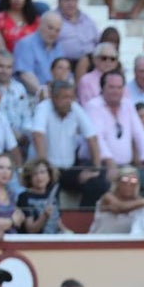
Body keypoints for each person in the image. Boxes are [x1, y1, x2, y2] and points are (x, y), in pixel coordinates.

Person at [32, 78, 108, 207]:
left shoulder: (75, 108)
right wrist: (45, 168)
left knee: (98, 184)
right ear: (54, 98)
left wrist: (96, 169)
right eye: (64, 97)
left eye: (71, 97)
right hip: (49, 168)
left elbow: (92, 138)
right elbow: (38, 136)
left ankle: (85, 222)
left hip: (69, 168)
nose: (69, 101)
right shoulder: (43, 108)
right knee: (50, 194)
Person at [84, 69, 144, 192]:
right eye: (111, 87)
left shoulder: (128, 105)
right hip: (100, 166)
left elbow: (139, 134)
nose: (116, 91)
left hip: (126, 167)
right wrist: (110, 163)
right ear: (102, 88)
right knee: (106, 186)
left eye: (119, 88)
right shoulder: (93, 106)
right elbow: (97, 138)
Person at [89, 165, 144, 235]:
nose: (129, 183)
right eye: (125, 180)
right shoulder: (108, 197)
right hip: (99, 242)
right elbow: (120, 207)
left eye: (133, 180)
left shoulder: (139, 201)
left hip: (126, 244)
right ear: (117, 182)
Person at [0, 49, 32, 148]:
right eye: (0, 66)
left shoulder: (19, 88)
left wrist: (24, 134)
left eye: (8, 67)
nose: (4, 71)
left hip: (20, 140)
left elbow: (26, 115)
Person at [12, 11, 62, 97]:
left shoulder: (58, 47)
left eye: (57, 30)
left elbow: (64, 73)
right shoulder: (26, 44)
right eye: (50, 28)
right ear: (40, 25)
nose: (53, 33)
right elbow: (25, 76)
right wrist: (45, 94)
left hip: (55, 97)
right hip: (31, 97)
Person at [53, 0, 99, 79]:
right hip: (67, 63)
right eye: (68, 0)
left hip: (91, 61)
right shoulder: (53, 19)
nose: (72, 4)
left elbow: (97, 41)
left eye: (75, 0)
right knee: (83, 61)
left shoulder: (87, 19)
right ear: (59, 1)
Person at [16, 158, 65, 234]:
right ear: (29, 177)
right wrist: (44, 216)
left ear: (49, 175)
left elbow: (57, 222)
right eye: (35, 174)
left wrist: (68, 233)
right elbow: (30, 230)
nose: (39, 177)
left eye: (42, 172)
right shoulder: (24, 197)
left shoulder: (53, 195)